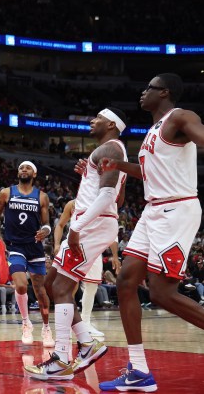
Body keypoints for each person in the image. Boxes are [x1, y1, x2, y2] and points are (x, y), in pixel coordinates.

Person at [99, 74, 204, 392]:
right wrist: (117, 166)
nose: (142, 92)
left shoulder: (181, 116)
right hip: (152, 210)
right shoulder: (151, 132)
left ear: (165, 92)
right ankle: (139, 370)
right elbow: (148, 172)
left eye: (149, 88)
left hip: (176, 210)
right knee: (126, 281)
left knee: (161, 293)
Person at [24, 107, 128, 381]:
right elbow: (118, 199)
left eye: (97, 118)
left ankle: (61, 358)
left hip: (90, 225)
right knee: (50, 284)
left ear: (111, 124)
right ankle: (86, 342)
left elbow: (108, 198)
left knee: (61, 288)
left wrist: (77, 228)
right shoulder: (111, 152)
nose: (92, 121)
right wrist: (88, 175)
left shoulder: (111, 150)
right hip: (93, 222)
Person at [0, 161, 54, 347]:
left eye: (27, 168)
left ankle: (46, 327)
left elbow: (46, 224)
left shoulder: (42, 197)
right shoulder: (6, 193)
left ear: (34, 174)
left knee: (41, 292)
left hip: (35, 247)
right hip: (15, 247)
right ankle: (26, 323)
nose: (23, 170)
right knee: (20, 286)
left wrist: (46, 231)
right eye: (20, 168)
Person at [52, 199, 122, 339]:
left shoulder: (103, 202)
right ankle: (67, 324)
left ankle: (86, 322)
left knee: (92, 285)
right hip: (75, 246)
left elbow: (112, 231)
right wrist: (57, 244)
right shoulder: (72, 204)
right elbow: (60, 225)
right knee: (69, 287)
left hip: (94, 247)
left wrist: (115, 255)